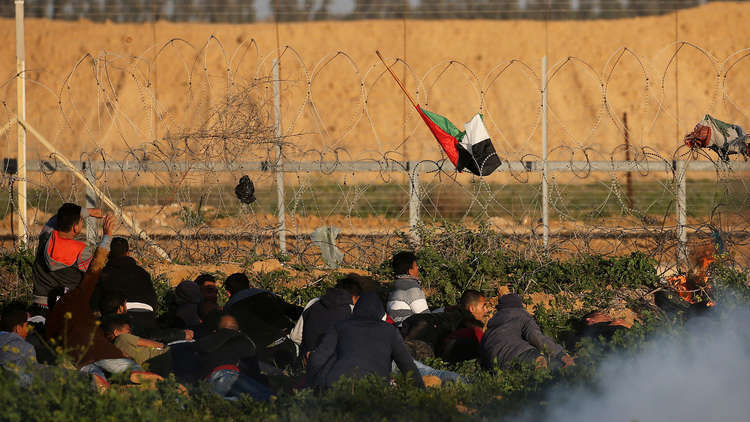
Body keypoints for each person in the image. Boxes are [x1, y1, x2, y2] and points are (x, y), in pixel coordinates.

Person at [45, 215, 156, 384]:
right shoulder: (77, 298)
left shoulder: (50, 322)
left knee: (93, 377)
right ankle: (135, 373)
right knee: (129, 368)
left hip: (78, 356)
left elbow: (52, 348)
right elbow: (94, 268)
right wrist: (107, 236)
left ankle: (98, 382)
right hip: (100, 348)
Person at [307, 292, 425, 390]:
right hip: (374, 387)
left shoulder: (340, 326)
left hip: (337, 385)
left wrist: (311, 385)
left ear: (356, 309)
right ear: (380, 312)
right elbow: (407, 365)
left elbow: (318, 359)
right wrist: (421, 392)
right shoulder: (389, 331)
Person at [31, 203, 105, 309]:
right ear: (75, 228)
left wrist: (88, 212)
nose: (82, 221)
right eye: (81, 220)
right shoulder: (81, 250)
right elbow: (93, 272)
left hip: (39, 301)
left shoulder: (46, 236)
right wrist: (107, 236)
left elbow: (56, 218)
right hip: (67, 304)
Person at [224, 273, 301, 368]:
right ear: (249, 285)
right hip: (285, 344)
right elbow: (292, 311)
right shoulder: (265, 294)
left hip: (259, 354)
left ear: (228, 293)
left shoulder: (229, 308)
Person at [480, 293, 574, 370]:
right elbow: (536, 338)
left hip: (494, 364)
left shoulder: (490, 326)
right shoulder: (521, 315)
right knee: (548, 363)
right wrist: (561, 355)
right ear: (519, 306)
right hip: (518, 354)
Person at [196, 315, 272, 401]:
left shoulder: (205, 340)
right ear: (237, 329)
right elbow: (253, 365)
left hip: (207, 382)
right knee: (268, 399)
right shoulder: (240, 338)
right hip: (229, 374)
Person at [90, 237, 158, 317]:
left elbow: (95, 302)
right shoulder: (142, 273)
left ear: (110, 254)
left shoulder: (107, 273)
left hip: (120, 317)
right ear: (128, 253)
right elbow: (153, 300)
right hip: (147, 316)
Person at [299, 276, 362, 358]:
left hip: (307, 358)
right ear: (355, 297)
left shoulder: (314, 302)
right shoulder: (353, 312)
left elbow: (295, 336)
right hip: (333, 361)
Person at [440, 290, 489, 362]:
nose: (486, 310)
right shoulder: (473, 330)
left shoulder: (451, 316)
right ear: (472, 309)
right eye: (483, 306)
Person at [386, 251, 429, 325]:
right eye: (416, 266)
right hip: (407, 328)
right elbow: (425, 315)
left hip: (395, 326)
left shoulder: (396, 284)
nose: (417, 268)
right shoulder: (411, 287)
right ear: (410, 271)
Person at [0, 302, 37, 383]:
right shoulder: (27, 349)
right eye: (26, 325)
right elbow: (29, 382)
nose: (27, 330)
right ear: (18, 328)